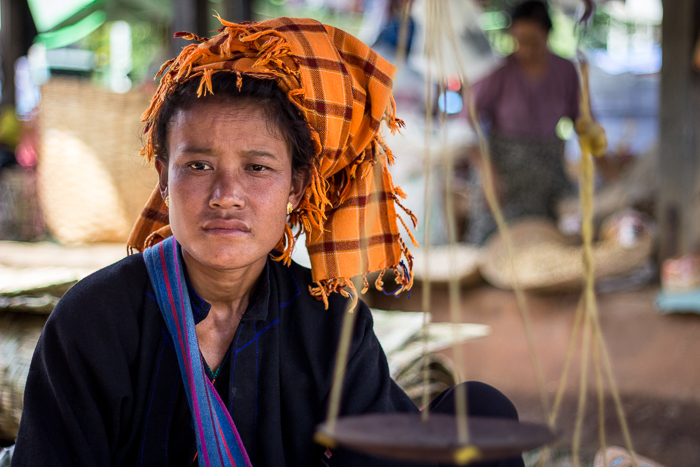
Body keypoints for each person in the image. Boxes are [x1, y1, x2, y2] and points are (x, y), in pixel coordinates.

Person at [13, 17, 524, 467]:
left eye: (257, 168)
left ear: (297, 187)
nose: (226, 196)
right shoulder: (95, 322)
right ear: (164, 180)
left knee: (480, 413)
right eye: (198, 166)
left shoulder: (327, 324)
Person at [466, 0, 580, 245]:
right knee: (493, 242)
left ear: (548, 34)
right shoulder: (498, 71)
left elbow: (583, 121)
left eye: (533, 42)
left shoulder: (566, 70)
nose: (525, 50)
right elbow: (465, 123)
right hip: (504, 176)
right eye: (520, 41)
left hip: (547, 174)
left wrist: (609, 170)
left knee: (546, 243)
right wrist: (486, 171)